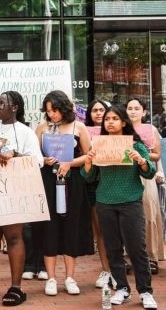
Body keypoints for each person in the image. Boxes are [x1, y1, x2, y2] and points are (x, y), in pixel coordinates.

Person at [82, 105, 158, 309]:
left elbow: (150, 173)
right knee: (113, 248)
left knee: (136, 248)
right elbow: (89, 177)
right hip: (105, 202)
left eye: (115, 119)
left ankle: (145, 291)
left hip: (130, 202)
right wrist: (88, 163)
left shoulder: (135, 145)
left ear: (124, 122)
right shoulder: (98, 145)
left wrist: (141, 161)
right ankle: (122, 288)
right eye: (107, 119)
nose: (110, 122)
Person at [0, 91, 43, 306]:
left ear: (15, 108)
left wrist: (15, 155)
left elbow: (38, 161)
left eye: (2, 104)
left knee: (13, 237)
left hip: (13, 192)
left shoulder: (25, 132)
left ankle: (16, 287)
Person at [33, 90, 93, 296]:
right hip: (48, 181)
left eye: (55, 110)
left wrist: (70, 163)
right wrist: (44, 159)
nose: (51, 115)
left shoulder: (79, 127)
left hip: (72, 181)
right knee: (49, 226)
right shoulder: (42, 127)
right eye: (48, 111)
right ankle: (51, 277)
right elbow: (33, 155)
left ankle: (70, 277)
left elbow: (89, 155)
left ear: (64, 108)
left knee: (71, 225)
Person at [126, 98, 165, 273]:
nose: (133, 111)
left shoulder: (151, 129)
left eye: (137, 108)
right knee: (127, 216)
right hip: (126, 175)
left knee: (148, 213)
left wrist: (141, 155)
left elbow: (157, 155)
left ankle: (151, 256)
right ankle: (128, 256)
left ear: (144, 112)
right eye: (130, 108)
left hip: (145, 174)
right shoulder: (121, 129)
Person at [84, 99, 115, 288]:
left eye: (101, 110)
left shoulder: (121, 134)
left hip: (117, 184)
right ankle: (106, 270)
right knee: (101, 231)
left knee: (119, 231)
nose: (98, 113)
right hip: (94, 184)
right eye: (94, 110)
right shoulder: (84, 132)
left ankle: (118, 269)